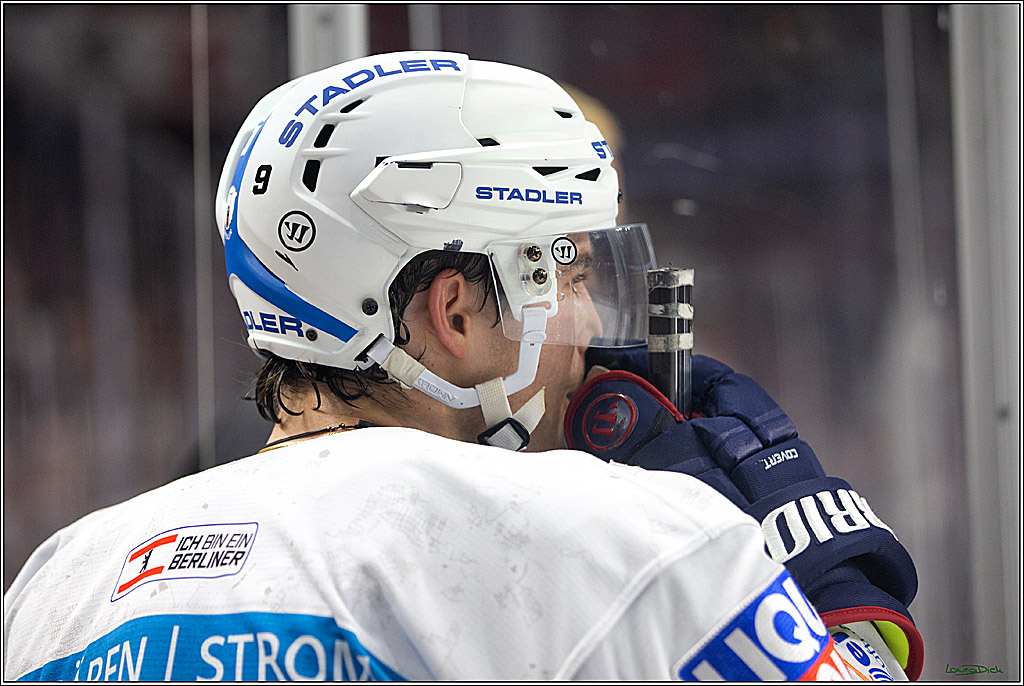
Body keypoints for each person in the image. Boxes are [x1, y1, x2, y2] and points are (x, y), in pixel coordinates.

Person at [4, 51, 921, 681]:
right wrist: (819, 583)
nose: (594, 317)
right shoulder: (619, 536)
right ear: (452, 312)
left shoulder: (57, 581)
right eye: (566, 267)